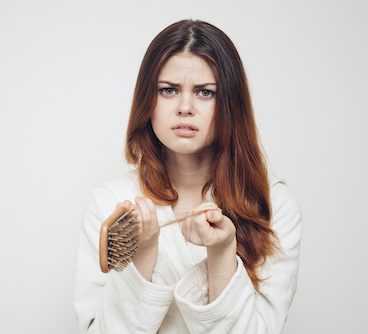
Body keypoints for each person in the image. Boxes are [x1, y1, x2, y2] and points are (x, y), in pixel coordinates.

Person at [73, 19, 302, 334]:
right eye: (168, 90)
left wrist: (222, 253)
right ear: (147, 102)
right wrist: (144, 256)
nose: (185, 107)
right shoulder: (111, 203)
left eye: (205, 93)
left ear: (230, 104)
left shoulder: (273, 206)